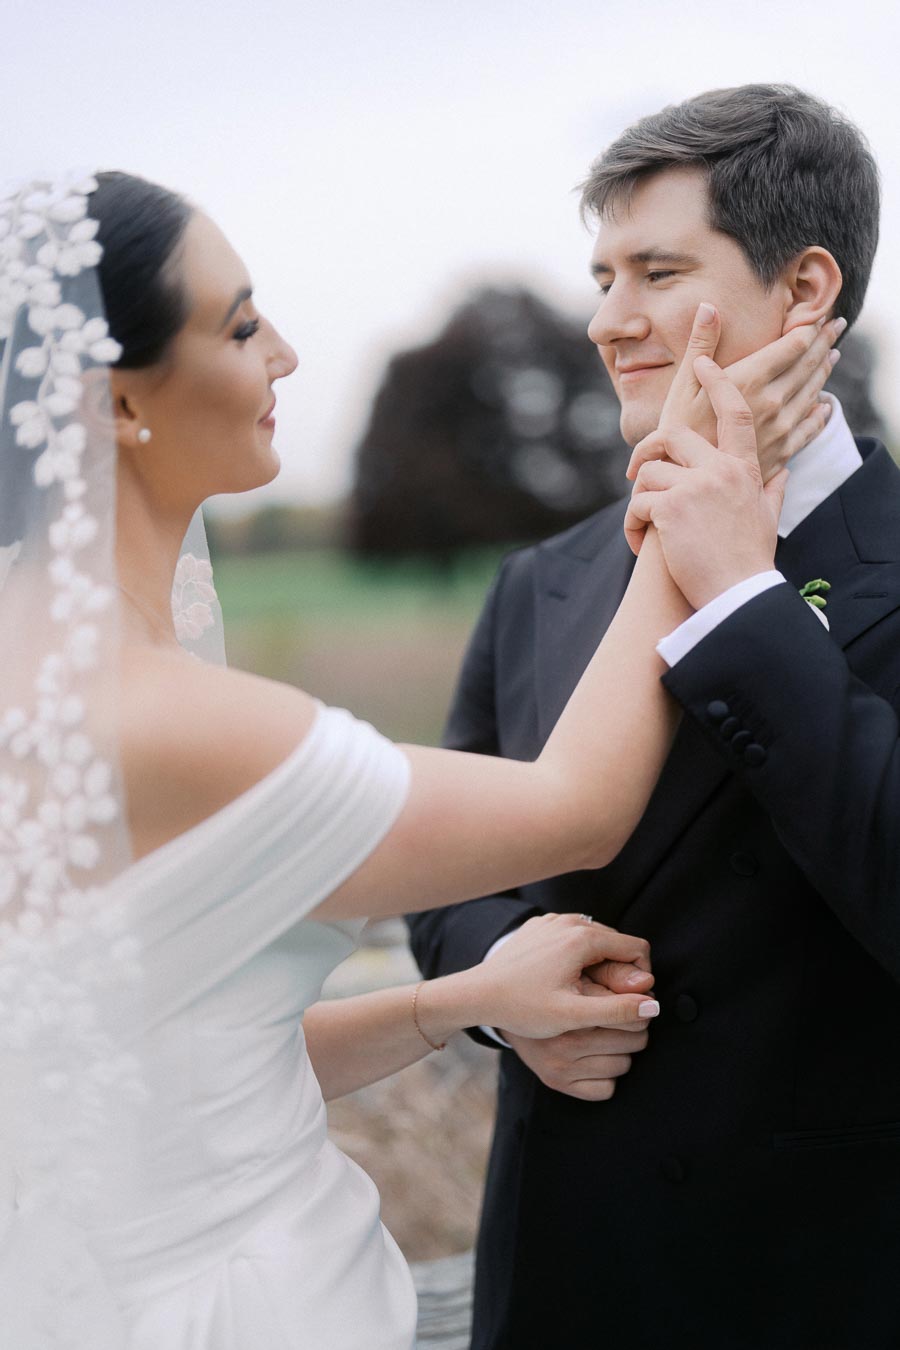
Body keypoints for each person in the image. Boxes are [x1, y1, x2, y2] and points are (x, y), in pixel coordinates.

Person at [0, 168, 827, 1349]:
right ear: (113, 403)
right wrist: (690, 501)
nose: (285, 354)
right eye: (240, 324)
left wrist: (459, 1002)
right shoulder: (168, 717)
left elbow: (172, 1050)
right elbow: (577, 809)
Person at [408, 83, 897, 1350]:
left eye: (656, 271)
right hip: (566, 1255)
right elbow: (447, 870)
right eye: (602, 275)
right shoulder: (543, 579)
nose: (606, 320)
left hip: (826, 1274)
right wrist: (499, 989)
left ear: (802, 292)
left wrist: (739, 589)